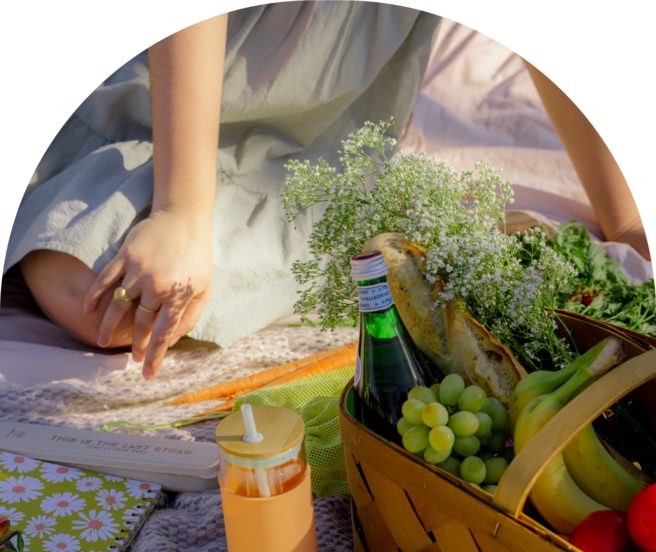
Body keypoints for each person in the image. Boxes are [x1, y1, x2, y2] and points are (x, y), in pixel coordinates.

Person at [4, 7, 651, 381]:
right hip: (169, 96)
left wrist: (624, 222)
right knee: (103, 302)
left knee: (154, 303)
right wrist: (181, 210)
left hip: (326, 131)